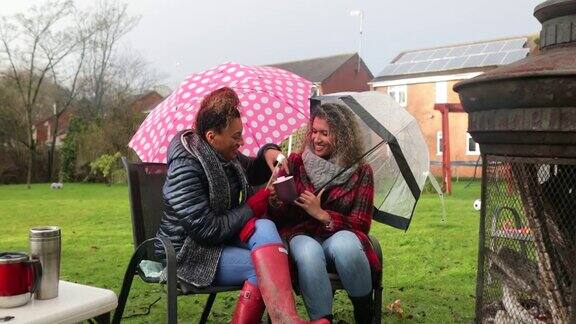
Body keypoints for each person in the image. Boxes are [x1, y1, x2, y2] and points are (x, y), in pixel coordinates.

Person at [154, 87, 328, 324]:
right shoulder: (187, 167)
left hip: (217, 241)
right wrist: (251, 207)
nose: (242, 141)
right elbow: (206, 230)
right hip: (188, 251)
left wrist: (269, 152)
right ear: (212, 136)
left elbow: (253, 169)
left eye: (241, 134)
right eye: (236, 137)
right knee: (262, 269)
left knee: (265, 226)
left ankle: (286, 319)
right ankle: (286, 320)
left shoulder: (223, 157)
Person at [267, 102, 379, 323]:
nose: (316, 139)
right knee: (308, 253)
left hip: (338, 237)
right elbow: (278, 219)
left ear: (342, 136)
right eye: (314, 131)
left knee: (346, 244)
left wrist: (323, 215)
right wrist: (274, 198)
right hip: (301, 235)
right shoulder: (296, 163)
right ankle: (323, 320)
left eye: (325, 133)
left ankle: (364, 314)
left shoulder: (361, 170)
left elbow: (361, 224)